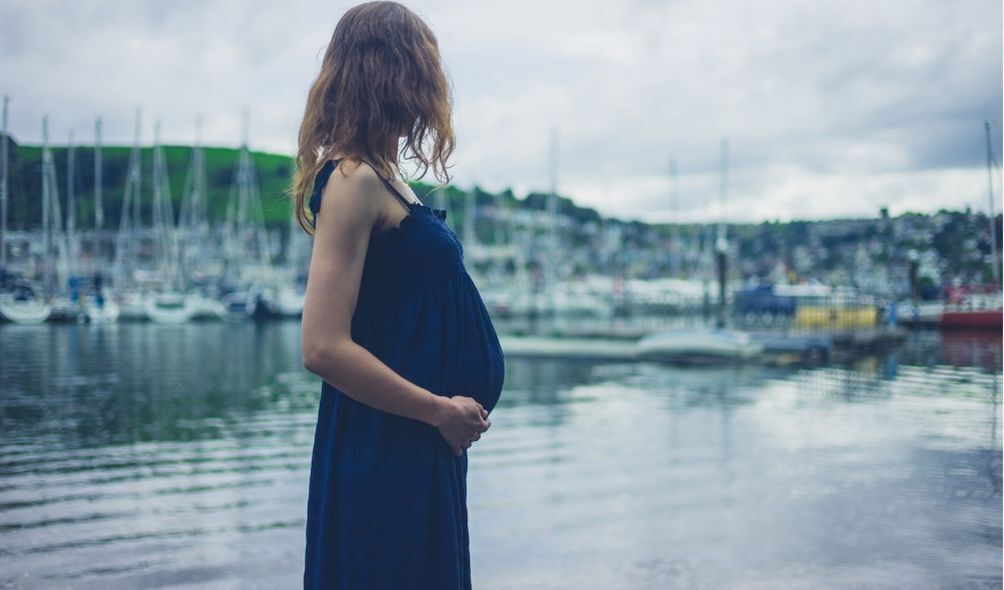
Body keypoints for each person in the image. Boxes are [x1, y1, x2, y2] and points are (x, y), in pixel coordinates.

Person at [289, 3, 505, 588]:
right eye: (422, 68)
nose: (432, 86)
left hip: (414, 448)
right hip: (385, 447)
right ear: (392, 72)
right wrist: (439, 409)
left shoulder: (384, 175)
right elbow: (322, 347)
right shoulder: (353, 180)